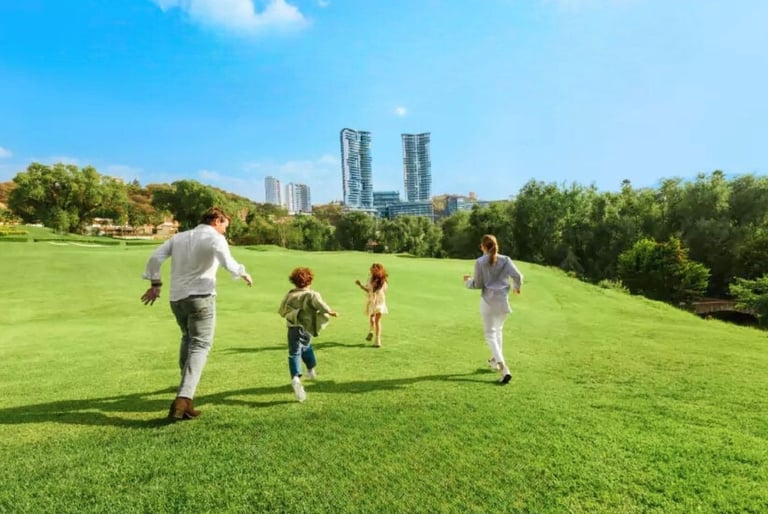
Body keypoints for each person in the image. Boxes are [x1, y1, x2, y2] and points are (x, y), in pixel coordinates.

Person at [140, 207, 253, 420]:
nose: (225, 232)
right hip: (201, 297)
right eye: (225, 227)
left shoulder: (179, 237)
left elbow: (155, 258)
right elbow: (229, 263)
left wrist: (155, 283)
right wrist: (243, 273)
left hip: (177, 299)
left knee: (188, 338)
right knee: (201, 345)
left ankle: (185, 388)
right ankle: (184, 398)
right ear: (217, 221)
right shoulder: (215, 238)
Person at [464, 234, 523, 385]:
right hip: (502, 301)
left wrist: (467, 281)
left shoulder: (480, 262)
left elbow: (477, 284)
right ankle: (494, 361)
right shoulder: (506, 260)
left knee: (491, 334)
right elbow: (518, 276)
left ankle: (504, 369)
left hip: (488, 302)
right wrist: (516, 288)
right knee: (498, 331)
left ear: (483, 246)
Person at [278, 267, 338, 402]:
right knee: (306, 347)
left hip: (292, 328)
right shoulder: (311, 294)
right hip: (307, 328)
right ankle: (308, 371)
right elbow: (321, 306)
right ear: (309, 281)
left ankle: (297, 376)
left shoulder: (289, 295)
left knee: (295, 352)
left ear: (294, 282)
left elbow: (281, 310)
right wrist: (331, 312)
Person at [355, 263, 389, 348]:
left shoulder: (380, 281)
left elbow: (373, 290)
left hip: (375, 302)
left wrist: (364, 287)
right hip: (379, 302)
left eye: (374, 269)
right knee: (376, 320)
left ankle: (372, 332)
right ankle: (377, 340)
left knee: (374, 319)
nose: (372, 271)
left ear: (378, 270)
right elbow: (371, 290)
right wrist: (360, 285)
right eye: (372, 269)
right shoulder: (379, 280)